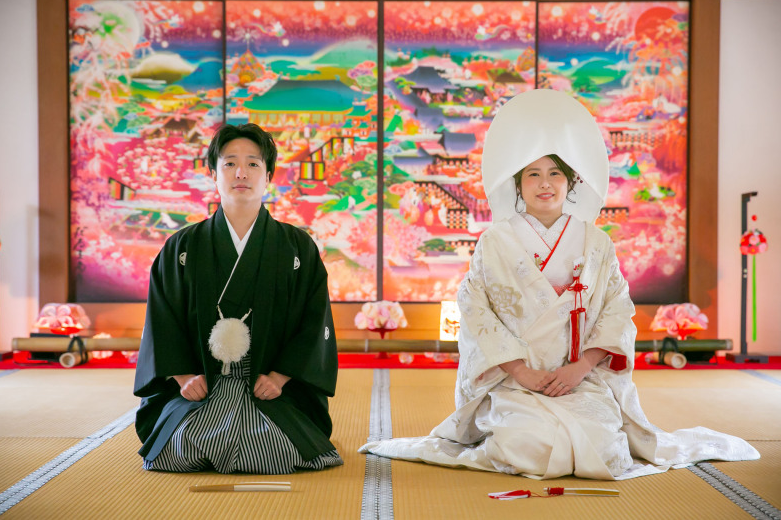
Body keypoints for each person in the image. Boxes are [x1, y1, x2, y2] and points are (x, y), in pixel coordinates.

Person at [360, 89, 759, 479]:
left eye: (555, 173)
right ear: (518, 184)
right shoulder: (495, 241)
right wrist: (522, 371)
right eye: (533, 173)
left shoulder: (596, 242)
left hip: (579, 379)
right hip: (514, 384)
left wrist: (580, 367)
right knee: (528, 447)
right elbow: (475, 312)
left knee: (604, 450)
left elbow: (617, 309)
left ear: (571, 182)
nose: (545, 183)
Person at [134, 123, 342, 474]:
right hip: (201, 386)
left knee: (274, 450)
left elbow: (314, 319)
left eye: (253, 163)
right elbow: (162, 318)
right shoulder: (182, 247)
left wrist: (279, 377)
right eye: (229, 163)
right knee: (179, 450)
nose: (241, 172)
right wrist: (184, 377)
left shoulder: (296, 247)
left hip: (268, 389)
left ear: (268, 175)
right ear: (213, 173)